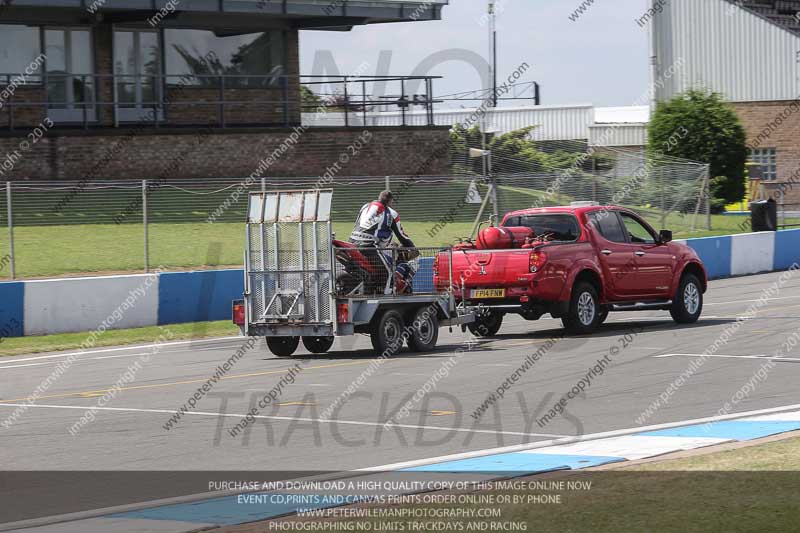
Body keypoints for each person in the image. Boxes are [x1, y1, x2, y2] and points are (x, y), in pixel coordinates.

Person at [349, 191, 416, 294]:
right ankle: (387, 296)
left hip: (351, 244)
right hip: (369, 247)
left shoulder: (365, 206)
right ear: (390, 201)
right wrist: (413, 248)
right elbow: (401, 236)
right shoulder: (391, 214)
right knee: (388, 272)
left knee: (376, 271)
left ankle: (370, 289)